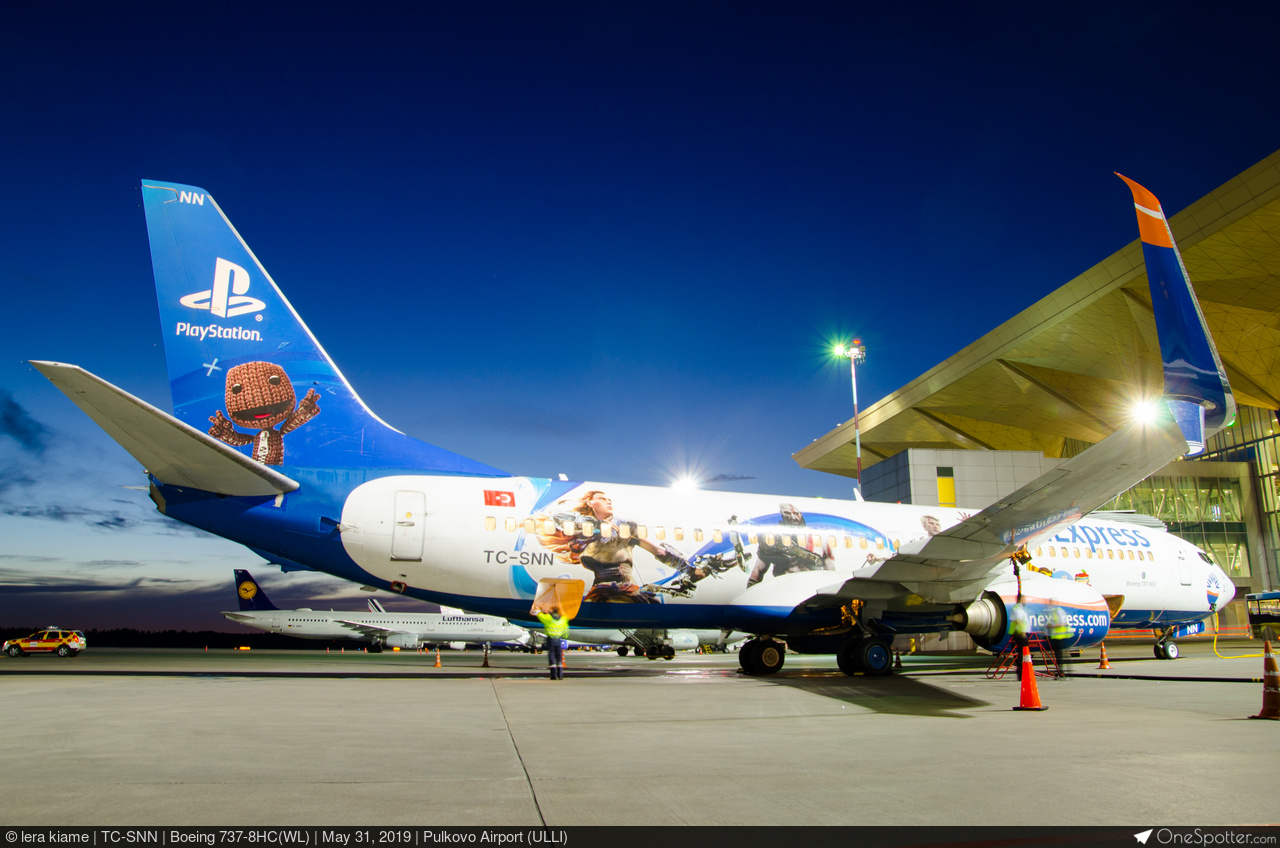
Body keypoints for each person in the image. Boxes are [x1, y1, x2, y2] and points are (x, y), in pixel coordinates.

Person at [746, 503, 835, 587]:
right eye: (788, 513)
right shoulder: (774, 538)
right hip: (783, 590)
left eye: (796, 513)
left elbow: (830, 567)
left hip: (812, 591)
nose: (793, 517)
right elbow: (758, 571)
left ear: (800, 514)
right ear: (782, 514)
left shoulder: (818, 537)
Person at [535, 607, 570, 680]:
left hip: (551, 640)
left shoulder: (549, 619)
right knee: (559, 657)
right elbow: (566, 632)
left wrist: (542, 611)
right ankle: (560, 675)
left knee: (552, 657)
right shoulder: (563, 620)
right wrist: (564, 636)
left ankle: (553, 675)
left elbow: (539, 615)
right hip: (558, 640)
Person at [1047, 604, 1075, 679]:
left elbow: (1063, 623)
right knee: (1059, 655)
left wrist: (1052, 626)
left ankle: (1062, 671)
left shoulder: (1058, 611)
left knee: (1061, 655)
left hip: (1061, 636)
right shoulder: (1054, 612)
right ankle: (1061, 671)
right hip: (1057, 636)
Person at [1008, 595, 1030, 681]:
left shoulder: (1018, 608)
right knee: (1022, 655)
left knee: (1022, 654)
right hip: (1021, 634)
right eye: (1024, 599)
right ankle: (1021, 675)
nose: (1026, 601)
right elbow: (1019, 620)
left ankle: (1022, 674)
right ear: (1021, 599)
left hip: (1020, 633)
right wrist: (1023, 632)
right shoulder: (1017, 609)